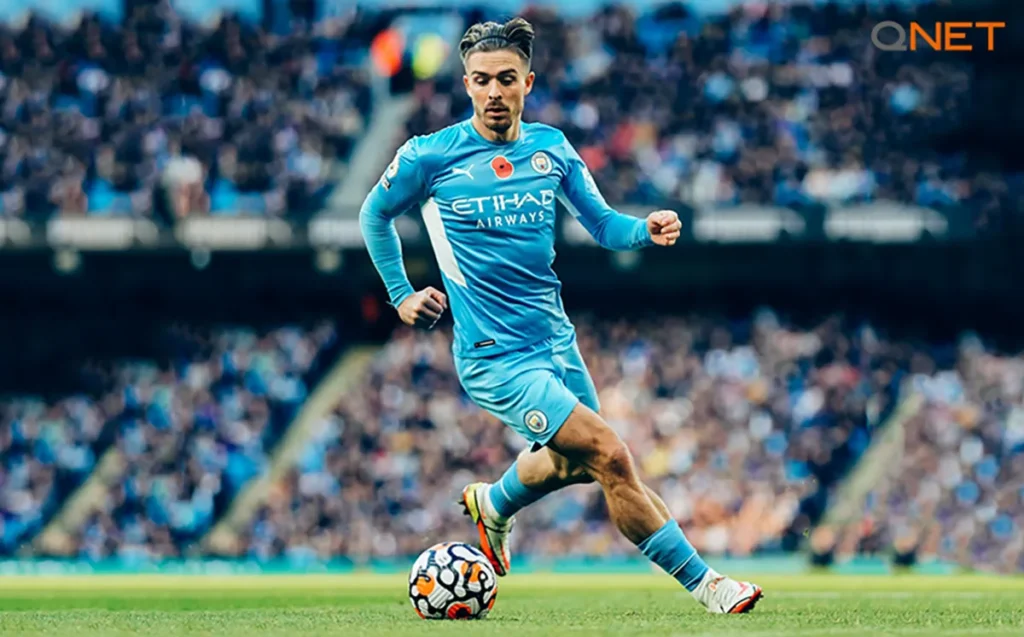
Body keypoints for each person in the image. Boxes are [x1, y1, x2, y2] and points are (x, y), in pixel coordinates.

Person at [359, 17, 762, 614]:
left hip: (555, 343)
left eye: (506, 79)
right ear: (466, 86)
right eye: (480, 81)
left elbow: (602, 224)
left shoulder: (551, 149)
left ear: (528, 81)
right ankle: (709, 587)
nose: (493, 92)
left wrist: (645, 230)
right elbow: (374, 214)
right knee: (612, 456)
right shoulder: (430, 156)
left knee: (576, 466)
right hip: (495, 357)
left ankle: (494, 504)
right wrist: (400, 294)